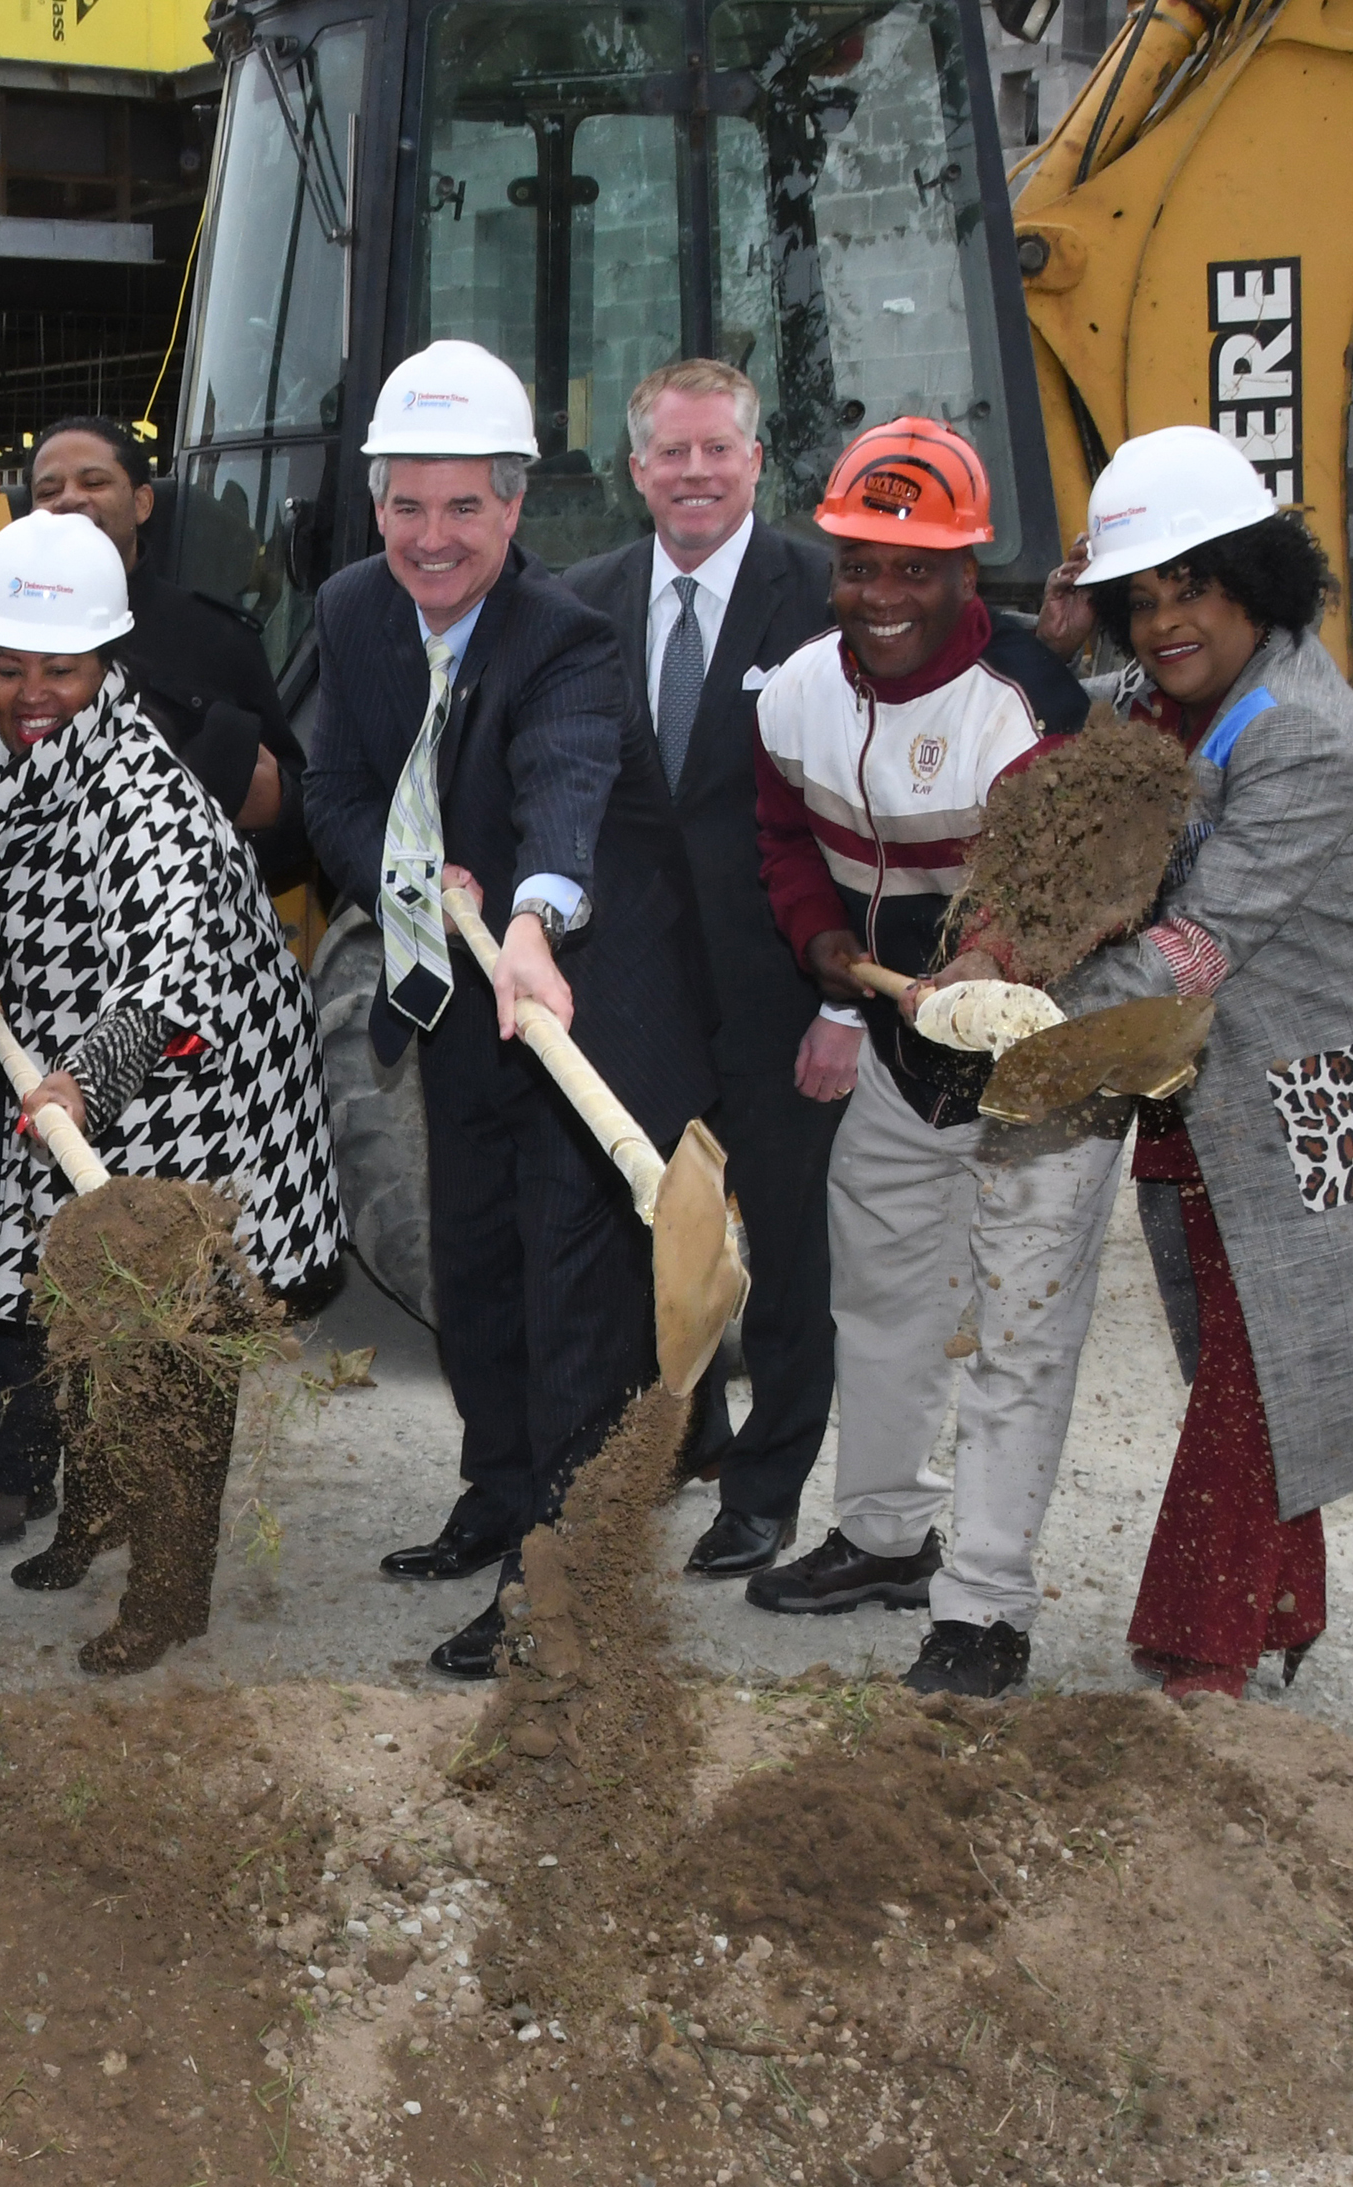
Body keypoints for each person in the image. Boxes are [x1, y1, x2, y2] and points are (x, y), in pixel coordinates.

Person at [1054, 424, 1353, 1699]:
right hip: (1223, 1062)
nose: (1163, 624)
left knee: (1268, 1344)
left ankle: (1200, 1647)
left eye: (1192, 588)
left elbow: (1204, 941)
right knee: (1248, 1337)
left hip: (1343, 1064)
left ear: (1254, 581)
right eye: (1139, 601)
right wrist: (1051, 647)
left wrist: (1030, 1022)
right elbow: (1074, 747)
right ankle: (1284, 1601)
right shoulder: (1175, 702)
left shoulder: (1298, 730)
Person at [299, 341, 716, 1680]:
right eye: (408, 506)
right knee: (473, 1267)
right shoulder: (356, 608)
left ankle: (557, 1573)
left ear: (515, 507)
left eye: (464, 508)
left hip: (584, 999)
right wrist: (406, 873)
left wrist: (532, 916)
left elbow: (565, 780)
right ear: (377, 507)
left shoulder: (566, 639)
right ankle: (498, 1484)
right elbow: (335, 794)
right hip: (457, 988)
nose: (433, 539)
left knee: (569, 1289)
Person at [741, 417, 1126, 1700]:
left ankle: (986, 1608)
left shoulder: (1028, 705)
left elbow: (1065, 877)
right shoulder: (794, 689)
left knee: (1018, 1329)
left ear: (969, 572)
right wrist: (821, 952)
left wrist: (997, 955)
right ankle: (885, 1537)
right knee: (883, 1303)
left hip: (1035, 1061)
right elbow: (785, 835)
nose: (882, 597)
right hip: (904, 1056)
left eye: (916, 569)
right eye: (861, 564)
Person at [0, 510, 343, 1673]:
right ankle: (98, 1514)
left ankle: (171, 1593)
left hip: (192, 1083)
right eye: (8, 665)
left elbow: (175, 978)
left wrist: (85, 1076)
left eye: (56, 669)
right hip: (67, 1079)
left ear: (104, 664)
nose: (29, 691)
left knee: (171, 1343)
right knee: (80, 1310)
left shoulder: (147, 794)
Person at [557, 359, 844, 1581]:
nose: (692, 473)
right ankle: (682, 1432)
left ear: (755, 462)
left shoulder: (826, 598)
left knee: (784, 1245)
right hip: (634, 985)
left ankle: (765, 1491)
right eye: (669, 454)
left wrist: (842, 994)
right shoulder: (582, 605)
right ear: (635, 471)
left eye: (716, 450)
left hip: (778, 980)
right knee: (656, 1232)